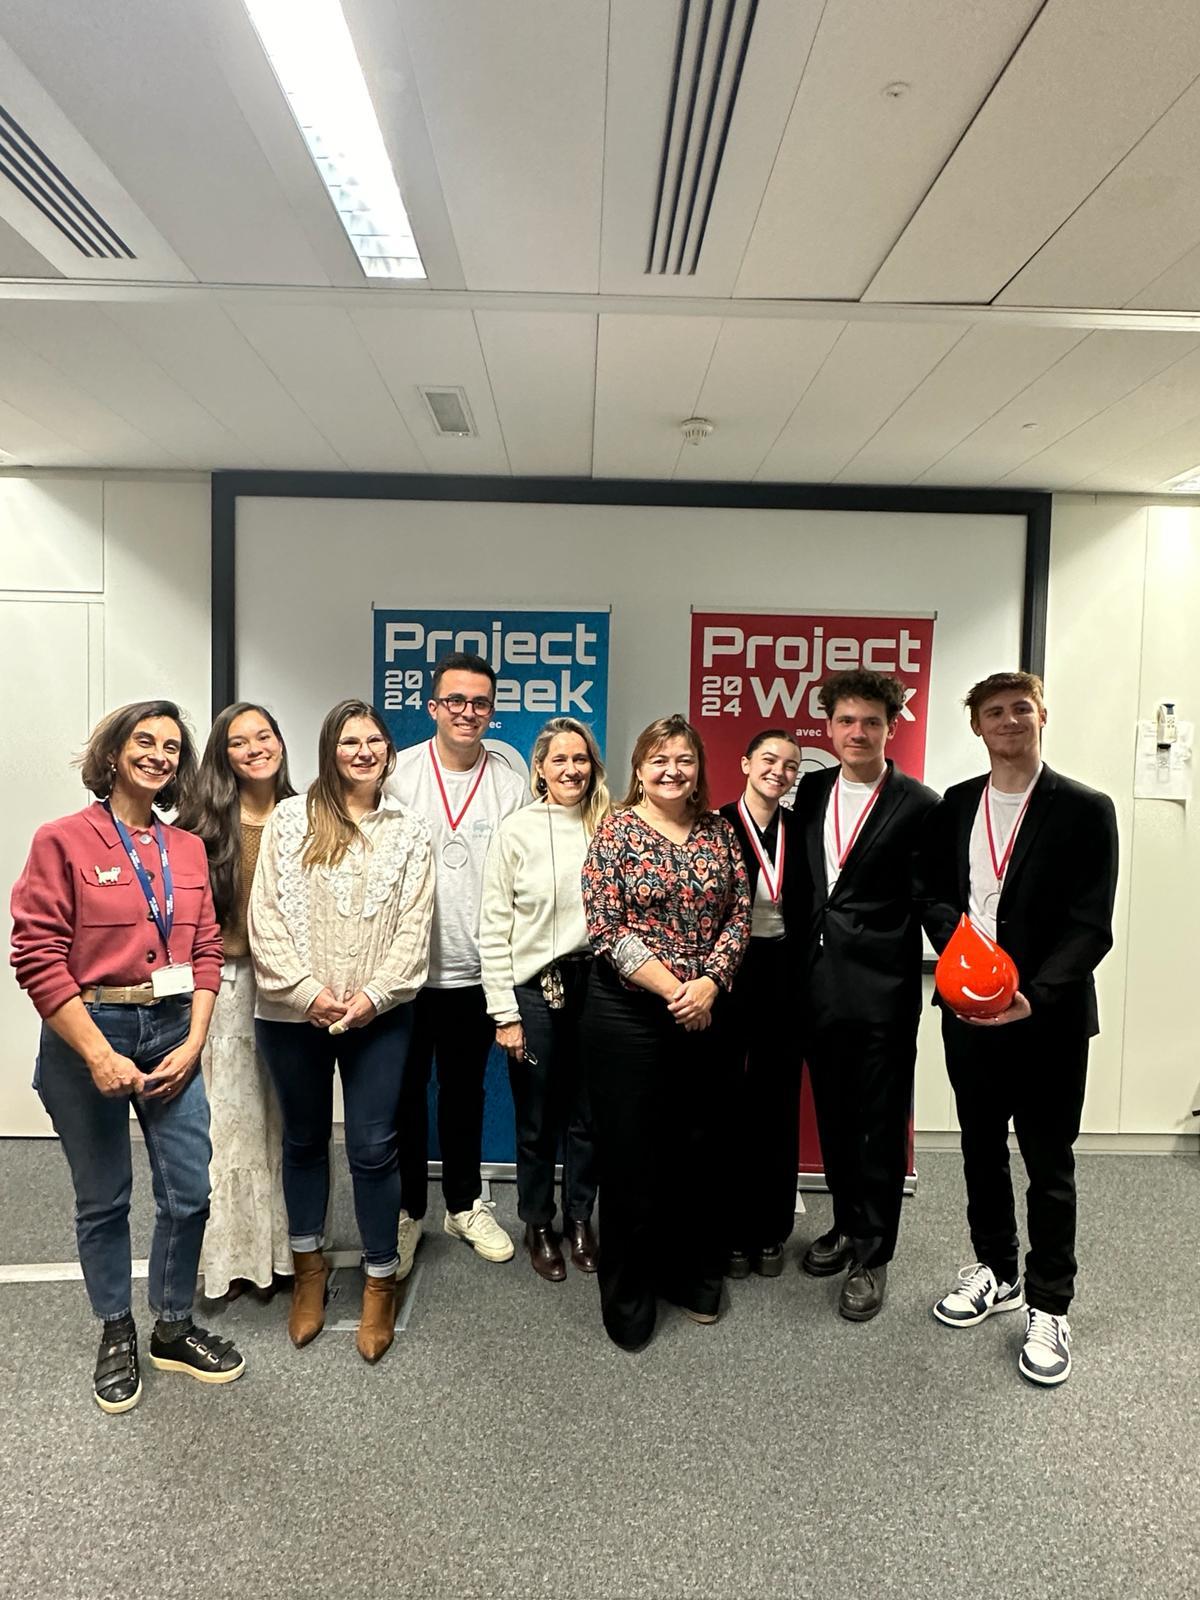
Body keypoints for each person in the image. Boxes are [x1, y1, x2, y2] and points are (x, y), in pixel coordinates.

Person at [10, 700, 244, 1414]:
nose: (159, 755)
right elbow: (37, 956)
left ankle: (172, 1325)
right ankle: (116, 1327)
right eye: (145, 741)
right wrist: (95, 1053)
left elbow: (206, 952)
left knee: (189, 1192)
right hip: (90, 1030)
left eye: (171, 747)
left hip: (172, 1029)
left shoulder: (187, 849)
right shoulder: (62, 839)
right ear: (113, 753)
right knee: (104, 1197)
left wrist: (195, 1042)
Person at [923, 671, 1117, 1386]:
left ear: (1042, 717)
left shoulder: (1085, 809)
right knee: (979, 1149)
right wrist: (958, 957)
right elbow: (933, 896)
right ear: (976, 726)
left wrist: (1034, 995)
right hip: (969, 1015)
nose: (1009, 720)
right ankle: (997, 1271)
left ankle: (1049, 1303)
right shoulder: (954, 805)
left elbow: (1092, 924)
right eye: (994, 712)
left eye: (1021, 709)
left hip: (1048, 1018)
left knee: (1048, 1161)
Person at [249, 699, 434, 1363]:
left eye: (374, 740)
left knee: (374, 1147)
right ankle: (310, 1269)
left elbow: (415, 926)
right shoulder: (289, 819)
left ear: (388, 750)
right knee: (303, 1139)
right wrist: (309, 994)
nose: (363, 751)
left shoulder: (410, 831)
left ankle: (380, 1279)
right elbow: (265, 915)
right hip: (291, 1014)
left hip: (379, 1016)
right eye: (350, 741)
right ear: (330, 749)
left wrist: (373, 997)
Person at [582, 714, 751, 1350]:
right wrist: (677, 990)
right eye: (659, 760)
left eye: (683, 759)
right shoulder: (616, 830)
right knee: (632, 1158)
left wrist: (710, 983)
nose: (672, 771)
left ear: (699, 768)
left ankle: (692, 1277)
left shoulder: (719, 832)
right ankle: (629, 1295)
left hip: (707, 1011)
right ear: (639, 769)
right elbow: (606, 925)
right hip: (630, 1015)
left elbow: (739, 913)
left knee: (698, 1151)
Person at [792, 671, 939, 1321]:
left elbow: (933, 897)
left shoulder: (920, 804)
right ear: (828, 726)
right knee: (835, 1115)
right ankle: (849, 1224)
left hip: (882, 989)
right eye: (846, 721)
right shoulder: (811, 789)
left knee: (878, 1124)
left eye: (871, 722)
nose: (858, 732)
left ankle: (874, 1255)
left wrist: (970, 966)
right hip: (816, 984)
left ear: (891, 727)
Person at [386, 652, 528, 1273]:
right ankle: (409, 1210)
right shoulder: (398, 774)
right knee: (405, 1096)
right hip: (405, 973)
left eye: (479, 703)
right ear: (433, 707)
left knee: (465, 1093)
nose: (467, 712)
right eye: (455, 701)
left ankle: (465, 1204)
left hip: (476, 971)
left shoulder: (509, 783)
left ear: (491, 712)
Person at [480, 717, 608, 1281]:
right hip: (534, 990)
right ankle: (537, 1223)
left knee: (588, 1116)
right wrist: (504, 1013)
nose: (571, 770)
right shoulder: (515, 832)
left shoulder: (610, 826)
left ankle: (580, 1219)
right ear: (540, 769)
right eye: (559, 760)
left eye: (580, 759)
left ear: (593, 767)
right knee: (536, 1119)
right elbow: (493, 927)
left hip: (598, 988)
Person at [177, 702, 295, 1302]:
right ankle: (231, 1260)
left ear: (281, 742)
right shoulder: (200, 826)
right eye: (239, 742)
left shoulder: (306, 815)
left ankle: (284, 1254)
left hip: (290, 986)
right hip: (223, 986)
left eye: (264, 736)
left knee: (286, 1122)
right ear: (223, 755)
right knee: (230, 1125)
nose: (255, 749)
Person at [719, 729, 807, 1279]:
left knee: (778, 1099)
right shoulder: (715, 825)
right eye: (769, 759)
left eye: (791, 765)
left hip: (786, 972)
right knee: (726, 1097)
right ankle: (729, 1229)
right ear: (746, 763)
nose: (779, 770)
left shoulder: (804, 829)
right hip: (728, 971)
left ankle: (771, 1230)